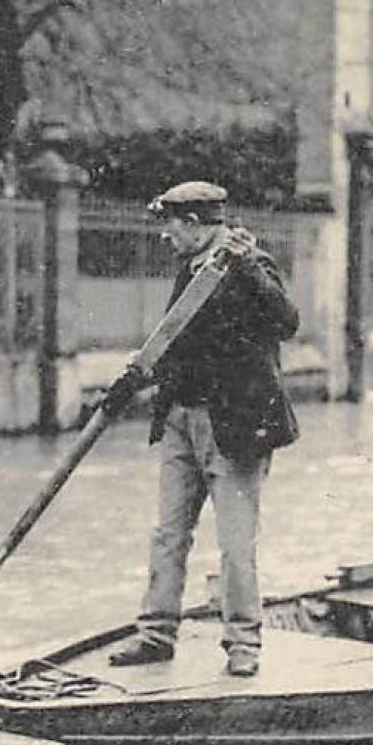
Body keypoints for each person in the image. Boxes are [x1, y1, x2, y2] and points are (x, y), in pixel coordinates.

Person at [108, 180, 300, 678]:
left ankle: (243, 644)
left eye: (170, 227)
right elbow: (178, 337)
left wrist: (250, 266)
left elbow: (287, 320)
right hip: (179, 420)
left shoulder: (246, 262)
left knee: (236, 543)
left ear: (194, 225)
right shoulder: (189, 268)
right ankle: (155, 634)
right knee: (168, 533)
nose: (164, 238)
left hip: (233, 426)